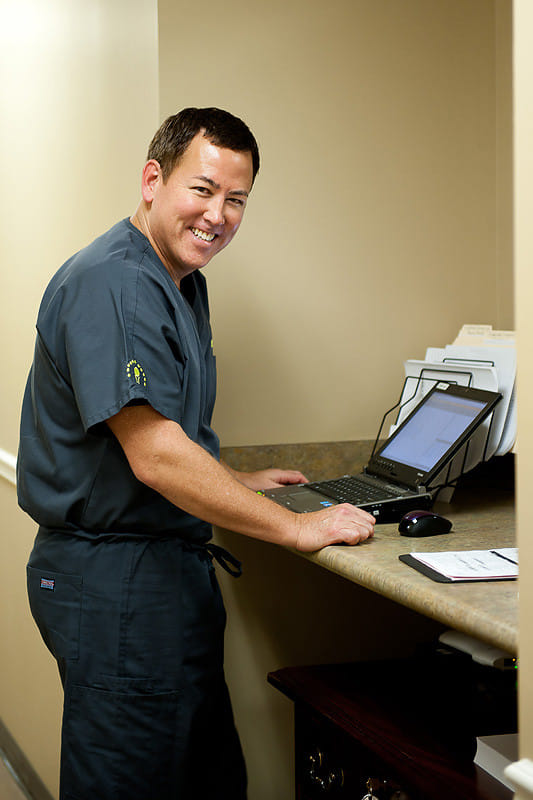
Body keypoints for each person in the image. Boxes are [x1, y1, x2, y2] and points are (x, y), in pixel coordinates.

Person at [17, 107, 375, 800]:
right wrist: (296, 526)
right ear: (153, 179)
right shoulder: (114, 283)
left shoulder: (180, 280)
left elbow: (156, 434)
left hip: (158, 575)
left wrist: (237, 480)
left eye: (235, 199)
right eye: (202, 189)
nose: (218, 215)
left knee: (199, 776)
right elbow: (153, 456)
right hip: (115, 582)